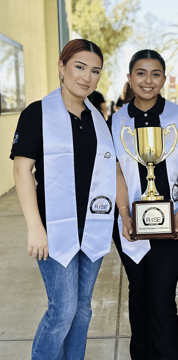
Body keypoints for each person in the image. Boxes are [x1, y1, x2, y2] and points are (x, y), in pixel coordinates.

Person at [10, 39, 116, 360]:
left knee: (83, 309)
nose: (86, 77)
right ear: (62, 67)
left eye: (94, 71)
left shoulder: (97, 118)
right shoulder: (37, 113)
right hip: (54, 229)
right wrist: (34, 228)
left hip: (92, 227)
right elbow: (21, 171)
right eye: (79, 67)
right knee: (63, 310)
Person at [109, 49, 178, 360]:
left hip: (172, 221)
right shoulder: (115, 120)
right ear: (129, 78)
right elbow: (116, 169)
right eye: (140, 73)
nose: (148, 80)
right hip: (130, 223)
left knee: (162, 298)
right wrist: (124, 214)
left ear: (164, 78)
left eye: (155, 73)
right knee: (138, 294)